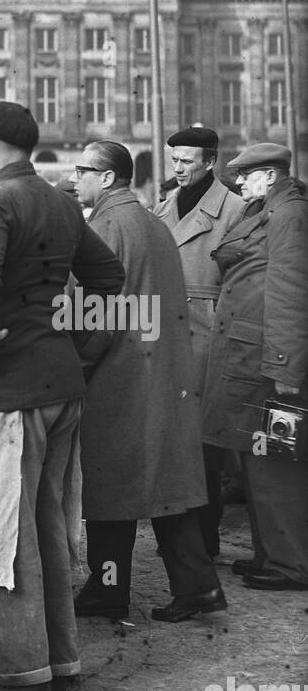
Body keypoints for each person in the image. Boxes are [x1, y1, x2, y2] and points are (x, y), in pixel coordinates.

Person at [0, 103, 125, 691]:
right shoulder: (58, 201)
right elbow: (109, 277)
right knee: (49, 528)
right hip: (60, 386)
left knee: (2, 537)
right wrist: (69, 339)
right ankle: (63, 662)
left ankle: (20, 675)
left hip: (8, 394)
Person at [72, 141, 226, 623]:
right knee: (164, 489)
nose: (77, 178)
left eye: (85, 170)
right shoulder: (153, 222)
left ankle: (109, 589)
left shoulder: (105, 226)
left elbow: (96, 313)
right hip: (159, 372)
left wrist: (78, 363)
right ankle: (195, 587)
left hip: (120, 378)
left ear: (109, 178)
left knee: (109, 492)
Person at [203, 143, 308, 591]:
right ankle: (272, 554)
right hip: (253, 356)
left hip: (270, 364)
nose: (240, 183)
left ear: (268, 174)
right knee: (257, 457)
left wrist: (285, 367)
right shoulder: (271, 210)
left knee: (277, 464)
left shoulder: (289, 216)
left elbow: (290, 292)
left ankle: (290, 564)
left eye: (245, 176)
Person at [153, 126, 245, 559]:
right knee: (171, 437)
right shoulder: (165, 204)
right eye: (174, 161)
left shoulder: (235, 210)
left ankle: (205, 541)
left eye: (187, 161)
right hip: (166, 334)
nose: (178, 168)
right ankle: (180, 541)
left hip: (206, 332)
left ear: (210, 162)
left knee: (203, 444)